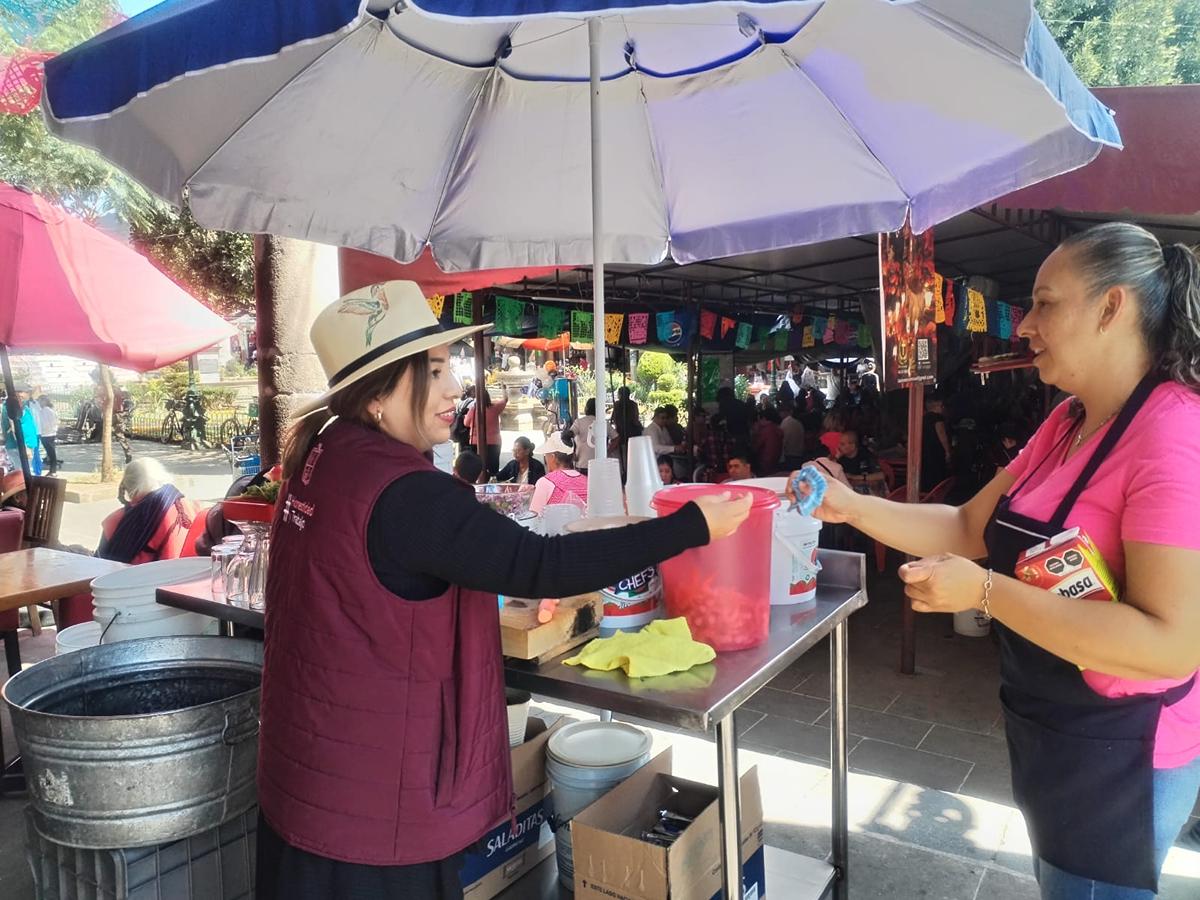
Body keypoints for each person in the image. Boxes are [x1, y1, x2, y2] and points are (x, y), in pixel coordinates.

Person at [258, 281, 753, 900]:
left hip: (307, 782)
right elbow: (539, 564)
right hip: (375, 812)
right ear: (379, 394)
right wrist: (691, 525)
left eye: (451, 368)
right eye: (434, 372)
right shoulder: (406, 494)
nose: (456, 388)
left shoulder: (324, 454)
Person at [789, 223, 1200, 899]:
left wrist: (984, 593)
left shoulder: (1174, 434)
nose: (1026, 326)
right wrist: (852, 506)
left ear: (1111, 307)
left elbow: (1169, 645)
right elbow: (965, 525)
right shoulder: (1067, 421)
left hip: (1124, 758)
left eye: (1044, 303)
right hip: (1052, 731)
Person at [96, 458, 203, 565]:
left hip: (151, 578)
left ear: (128, 488)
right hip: (196, 573)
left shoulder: (116, 521)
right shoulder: (192, 506)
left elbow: (101, 562)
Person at [529, 432, 587, 516]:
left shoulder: (545, 482)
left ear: (553, 457)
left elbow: (534, 516)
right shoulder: (587, 481)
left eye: (546, 456)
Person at [463, 387, 507, 477]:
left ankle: (479, 482)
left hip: (477, 442)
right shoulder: (495, 408)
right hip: (494, 441)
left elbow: (466, 423)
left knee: (478, 466)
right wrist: (504, 389)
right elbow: (505, 399)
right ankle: (492, 482)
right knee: (493, 466)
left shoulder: (473, 410)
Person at [568, 398, 613, 474]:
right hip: (600, 464)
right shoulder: (604, 423)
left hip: (582, 464)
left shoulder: (579, 422)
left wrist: (572, 454)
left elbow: (568, 436)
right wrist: (607, 451)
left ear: (586, 408)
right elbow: (616, 438)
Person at [836, 429, 884, 495]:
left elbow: (880, 475)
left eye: (842, 444)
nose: (839, 447)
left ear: (852, 445)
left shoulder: (866, 455)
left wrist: (854, 477)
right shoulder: (840, 459)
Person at [921, 391, 951, 491]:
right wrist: (947, 451)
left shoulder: (922, 418)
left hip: (925, 449)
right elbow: (941, 434)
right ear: (937, 406)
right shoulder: (937, 418)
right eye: (941, 406)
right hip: (936, 449)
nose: (943, 408)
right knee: (937, 473)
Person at [750, 405, 783, 476]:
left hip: (764, 464)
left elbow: (754, 448)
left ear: (764, 419)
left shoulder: (765, 431)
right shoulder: (777, 429)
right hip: (776, 462)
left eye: (759, 420)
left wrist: (755, 434)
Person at [781, 403, 807, 471]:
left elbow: (783, 440)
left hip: (789, 455)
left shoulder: (785, 422)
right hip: (799, 454)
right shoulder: (799, 423)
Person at [37, 396, 59, 476]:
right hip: (49, 434)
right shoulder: (48, 411)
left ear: (44, 401)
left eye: (40, 401)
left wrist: (42, 431)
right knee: (51, 453)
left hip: (47, 434)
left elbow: (45, 423)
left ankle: (53, 471)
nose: (39, 403)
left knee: (51, 453)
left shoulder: (45, 411)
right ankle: (52, 470)